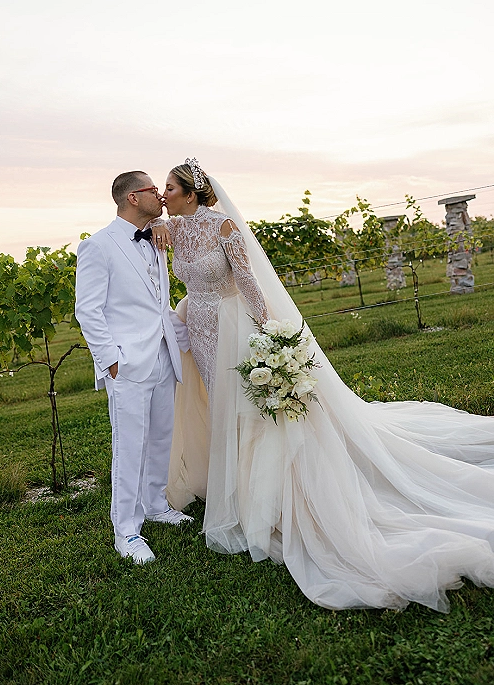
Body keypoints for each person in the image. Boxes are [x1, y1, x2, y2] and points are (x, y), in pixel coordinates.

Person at [156, 158, 494, 611]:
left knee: (247, 409)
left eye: (170, 188)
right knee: (218, 405)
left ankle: (264, 494)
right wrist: (160, 223)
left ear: (192, 192)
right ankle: (231, 478)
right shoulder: (173, 230)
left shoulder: (224, 230)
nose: (164, 194)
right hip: (195, 328)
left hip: (233, 326)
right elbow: (162, 246)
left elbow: (251, 285)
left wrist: (274, 334)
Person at [75, 170, 192, 565]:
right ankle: (126, 531)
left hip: (162, 354)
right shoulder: (98, 246)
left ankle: (157, 505)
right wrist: (109, 360)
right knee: (129, 446)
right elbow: (87, 310)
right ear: (132, 198)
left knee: (162, 436)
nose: (161, 195)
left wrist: (160, 222)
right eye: (153, 190)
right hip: (125, 363)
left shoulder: (155, 235)